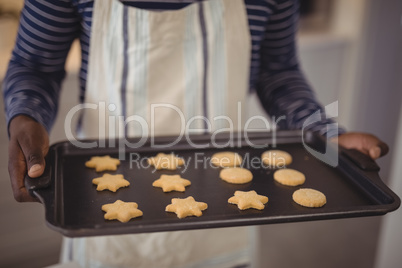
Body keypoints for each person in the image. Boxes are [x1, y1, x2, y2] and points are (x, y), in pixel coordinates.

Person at [3, 0, 388, 267]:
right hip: (104, 203)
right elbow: (34, 63)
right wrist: (25, 117)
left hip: (222, 204)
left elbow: (278, 70)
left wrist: (321, 133)